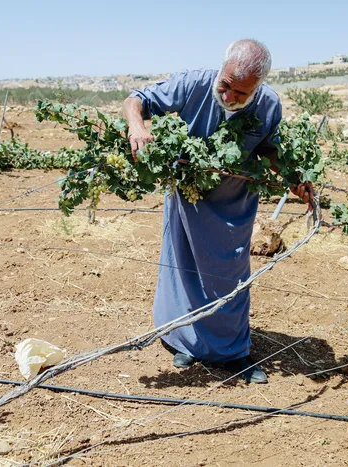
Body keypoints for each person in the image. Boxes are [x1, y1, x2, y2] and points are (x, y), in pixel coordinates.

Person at [122, 39, 312, 384]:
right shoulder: (194, 83)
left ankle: (233, 351)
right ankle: (186, 341)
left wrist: (292, 177)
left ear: (258, 86)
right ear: (221, 69)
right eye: (225, 86)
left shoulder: (268, 105)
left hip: (233, 203)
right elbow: (136, 99)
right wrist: (137, 125)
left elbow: (271, 149)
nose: (228, 97)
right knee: (184, 269)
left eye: (241, 93)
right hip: (187, 196)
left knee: (229, 274)